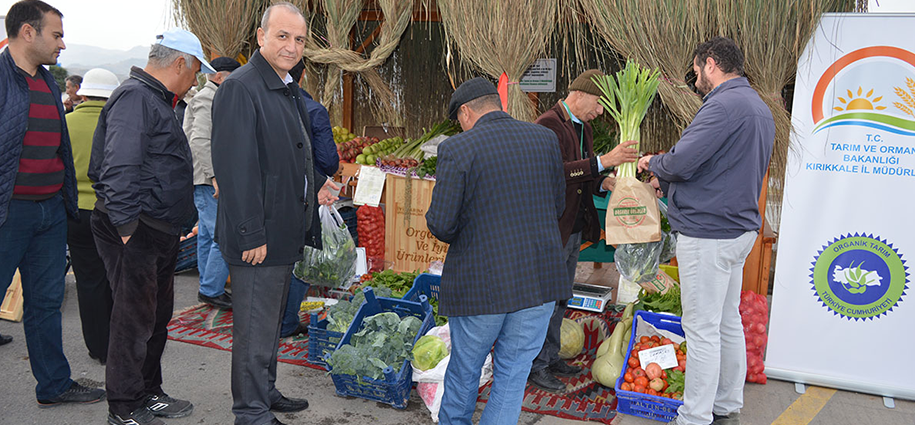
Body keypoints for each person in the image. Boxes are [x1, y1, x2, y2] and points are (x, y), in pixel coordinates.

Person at [210, 3, 340, 424]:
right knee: (253, 332)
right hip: (258, 238)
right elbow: (236, 169)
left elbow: (293, 156)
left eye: (299, 39)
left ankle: (264, 392)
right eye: (283, 36)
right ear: (261, 37)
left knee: (267, 327)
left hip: (283, 232)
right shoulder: (242, 87)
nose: (292, 46)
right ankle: (251, 413)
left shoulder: (283, 85)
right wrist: (250, 234)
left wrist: (315, 187)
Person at [636, 37, 774, 425]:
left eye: (696, 70)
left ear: (710, 63)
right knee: (726, 321)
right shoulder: (758, 107)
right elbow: (721, 170)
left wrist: (654, 163)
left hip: (710, 233)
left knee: (701, 330)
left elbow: (683, 161)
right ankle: (727, 403)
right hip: (738, 229)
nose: (694, 78)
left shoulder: (723, 106)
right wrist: (675, 183)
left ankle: (694, 416)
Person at [88, 28, 216, 425]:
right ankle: (123, 406)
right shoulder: (135, 97)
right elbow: (119, 165)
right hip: (136, 229)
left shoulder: (156, 98)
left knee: (155, 319)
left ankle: (147, 392)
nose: (195, 80)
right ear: (179, 62)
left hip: (156, 229)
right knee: (133, 322)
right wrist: (127, 229)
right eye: (195, 71)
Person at [427, 77, 569, 425]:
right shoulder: (544, 139)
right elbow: (557, 204)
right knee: (513, 373)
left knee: (465, 372)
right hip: (538, 282)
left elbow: (442, 225)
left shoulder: (457, 149)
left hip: (481, 287)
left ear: (465, 112)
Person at [0, 0, 106, 408]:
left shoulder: (46, 82)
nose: (62, 44)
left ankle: (54, 386)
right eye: (56, 34)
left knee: (45, 302)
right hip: (9, 213)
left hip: (50, 210)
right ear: (29, 32)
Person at [529, 70, 640, 392]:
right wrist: (605, 161)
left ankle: (550, 357)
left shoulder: (583, 128)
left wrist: (603, 180)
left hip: (574, 226)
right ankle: (535, 365)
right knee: (545, 299)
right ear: (579, 93)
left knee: (561, 296)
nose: (600, 110)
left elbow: (582, 172)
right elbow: (555, 172)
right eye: (598, 102)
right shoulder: (548, 124)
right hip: (553, 227)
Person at [279, 58, 340, 338]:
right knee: (301, 260)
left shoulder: (268, 107)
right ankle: (288, 322)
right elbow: (328, 160)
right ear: (302, 76)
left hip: (273, 196)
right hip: (306, 193)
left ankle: (272, 319)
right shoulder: (313, 110)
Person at [65, 67, 119, 365]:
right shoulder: (117, 122)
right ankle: (119, 342)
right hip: (111, 212)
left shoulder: (67, 122)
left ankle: (98, 347)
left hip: (75, 212)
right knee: (116, 279)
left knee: (88, 281)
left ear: (82, 93)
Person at [183, 56, 241, 310]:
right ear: (220, 77)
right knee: (222, 235)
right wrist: (215, 175)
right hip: (208, 179)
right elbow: (200, 140)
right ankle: (211, 289)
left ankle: (208, 286)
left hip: (204, 178)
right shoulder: (208, 98)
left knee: (207, 235)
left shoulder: (209, 97)